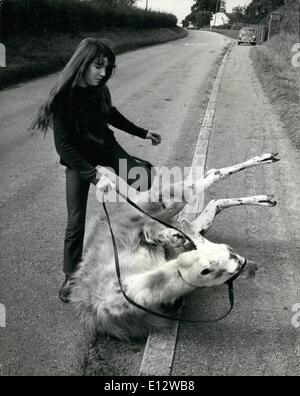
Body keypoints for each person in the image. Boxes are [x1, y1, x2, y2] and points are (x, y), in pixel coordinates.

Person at [31, 38, 162, 303]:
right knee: (75, 221)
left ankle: (149, 238)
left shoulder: (99, 90)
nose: (103, 73)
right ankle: (70, 276)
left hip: (105, 147)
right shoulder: (63, 98)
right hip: (78, 162)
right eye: (98, 66)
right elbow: (63, 146)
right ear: (82, 63)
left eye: (108, 68)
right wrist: (94, 174)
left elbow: (112, 115)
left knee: (143, 178)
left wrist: (143, 132)